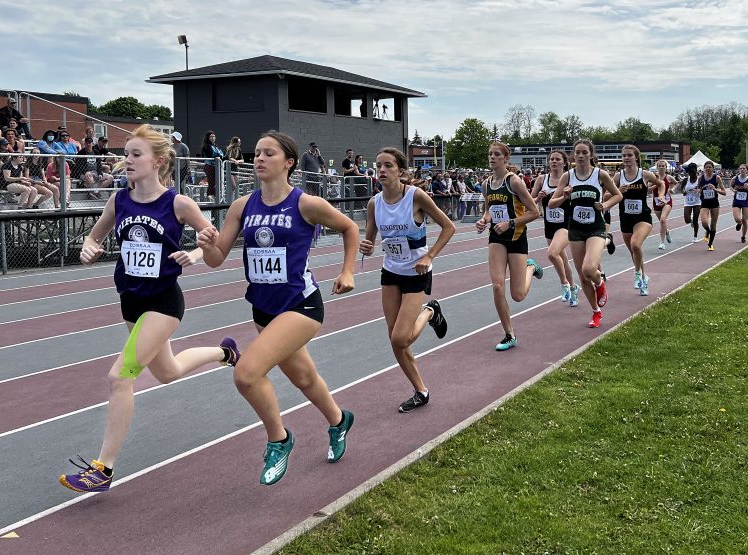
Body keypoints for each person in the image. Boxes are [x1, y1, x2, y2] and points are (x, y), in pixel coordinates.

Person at [58, 125, 241, 494]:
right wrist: (88, 248)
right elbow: (94, 236)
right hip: (130, 299)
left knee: (120, 377)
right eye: (126, 154)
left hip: (163, 302)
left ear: (157, 162)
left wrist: (193, 252)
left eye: (135, 154)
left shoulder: (178, 204)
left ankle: (102, 469)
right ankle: (226, 352)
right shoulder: (119, 201)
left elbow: (216, 242)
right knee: (168, 372)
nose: (127, 160)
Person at [197, 131, 359, 486]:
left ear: (288, 163)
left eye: (268, 153)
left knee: (246, 374)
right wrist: (206, 244)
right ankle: (338, 420)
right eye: (257, 153)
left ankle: (279, 439)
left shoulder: (305, 204)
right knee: (302, 377)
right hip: (263, 308)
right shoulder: (242, 207)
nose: (259, 158)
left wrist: (347, 270)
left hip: (301, 305)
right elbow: (215, 259)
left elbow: (350, 227)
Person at [360, 147, 455, 412]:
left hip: (416, 272)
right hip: (390, 273)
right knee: (395, 340)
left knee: (400, 339)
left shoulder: (415, 197)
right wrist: (366, 246)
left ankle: (429, 311)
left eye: (388, 166)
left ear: (400, 171)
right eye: (378, 165)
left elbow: (449, 227)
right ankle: (421, 391)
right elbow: (370, 239)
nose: (381, 170)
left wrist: (430, 256)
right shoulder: (374, 203)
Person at [476, 142, 543, 349]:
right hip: (496, 238)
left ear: (506, 158)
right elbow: (489, 210)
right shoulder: (486, 183)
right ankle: (509, 334)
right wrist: (484, 220)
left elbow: (534, 212)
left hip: (516, 237)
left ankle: (531, 267)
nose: (492, 157)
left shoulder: (514, 182)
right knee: (497, 286)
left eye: (497, 154)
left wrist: (510, 223)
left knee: (518, 295)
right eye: (490, 154)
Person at [548, 139, 622, 328]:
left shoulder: (600, 174)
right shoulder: (568, 176)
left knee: (589, 269)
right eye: (577, 153)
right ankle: (596, 312)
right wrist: (564, 196)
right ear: (573, 156)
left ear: (591, 155)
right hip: (575, 229)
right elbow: (551, 203)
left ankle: (600, 283)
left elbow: (618, 195)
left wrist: (604, 205)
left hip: (595, 227)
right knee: (582, 276)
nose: (580, 156)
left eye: (584, 152)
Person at [613, 145, 663, 296]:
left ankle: (636, 274)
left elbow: (660, 184)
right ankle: (643, 278)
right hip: (625, 218)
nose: (626, 158)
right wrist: (619, 192)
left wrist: (660, 196)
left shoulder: (645, 174)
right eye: (624, 156)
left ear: (636, 157)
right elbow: (606, 196)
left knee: (636, 244)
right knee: (634, 251)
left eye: (629, 155)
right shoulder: (617, 177)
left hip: (643, 217)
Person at [532, 150, 579, 306]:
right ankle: (573, 288)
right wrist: (538, 198)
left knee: (552, 254)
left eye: (557, 159)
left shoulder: (570, 179)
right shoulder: (542, 179)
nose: (553, 161)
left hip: (566, 224)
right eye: (551, 159)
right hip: (550, 225)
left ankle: (564, 284)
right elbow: (530, 201)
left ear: (564, 162)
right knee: (563, 260)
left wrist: (568, 196)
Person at [698, 160, 727, 251]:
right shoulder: (701, 178)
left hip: (714, 204)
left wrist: (715, 189)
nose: (708, 169)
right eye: (706, 167)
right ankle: (708, 231)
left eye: (710, 167)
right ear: (704, 169)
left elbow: (724, 192)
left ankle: (710, 244)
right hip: (704, 203)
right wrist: (699, 191)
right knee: (704, 221)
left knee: (713, 224)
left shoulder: (717, 178)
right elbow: (699, 189)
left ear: (713, 168)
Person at [652, 159, 678, 250]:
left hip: (667, 201)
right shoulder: (653, 177)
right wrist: (656, 184)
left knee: (663, 220)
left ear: (666, 167)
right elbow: (648, 189)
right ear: (657, 167)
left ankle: (662, 242)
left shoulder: (669, 177)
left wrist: (672, 189)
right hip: (656, 202)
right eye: (660, 166)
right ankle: (666, 231)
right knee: (662, 222)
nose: (661, 167)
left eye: (663, 166)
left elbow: (676, 183)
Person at [730, 164, 748, 243]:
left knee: (745, 220)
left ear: (747, 170)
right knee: (737, 218)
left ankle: (743, 236)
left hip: (745, 202)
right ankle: (739, 223)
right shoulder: (735, 178)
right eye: (741, 168)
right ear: (739, 170)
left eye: (744, 168)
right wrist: (733, 190)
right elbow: (730, 186)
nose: (742, 170)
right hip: (736, 201)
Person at [679, 162, 702, 242]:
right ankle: (690, 220)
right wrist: (683, 192)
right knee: (687, 220)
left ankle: (695, 236)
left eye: (692, 172)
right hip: (688, 201)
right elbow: (681, 188)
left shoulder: (700, 179)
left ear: (696, 171)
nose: (691, 174)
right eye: (689, 173)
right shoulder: (686, 180)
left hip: (697, 201)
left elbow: (703, 188)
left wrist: (700, 190)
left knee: (696, 220)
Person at [201, 130, 224, 198]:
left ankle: (215, 197)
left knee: (217, 183)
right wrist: (219, 156)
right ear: (207, 137)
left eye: (214, 136)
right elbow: (212, 155)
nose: (213, 138)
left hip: (217, 166)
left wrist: (220, 156)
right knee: (212, 183)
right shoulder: (206, 146)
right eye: (211, 136)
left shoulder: (216, 146)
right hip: (210, 166)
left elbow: (222, 155)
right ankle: (210, 197)